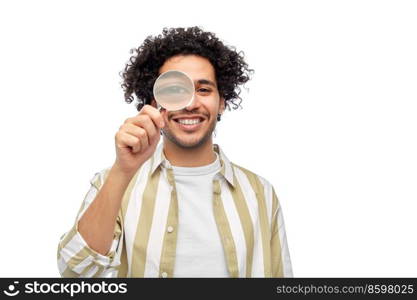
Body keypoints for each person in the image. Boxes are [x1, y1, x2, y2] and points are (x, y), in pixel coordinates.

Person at [57, 26, 293, 278]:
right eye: (174, 90)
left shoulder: (261, 193)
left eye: (203, 90)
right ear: (153, 103)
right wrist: (122, 170)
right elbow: (75, 273)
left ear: (222, 101)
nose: (190, 104)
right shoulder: (114, 182)